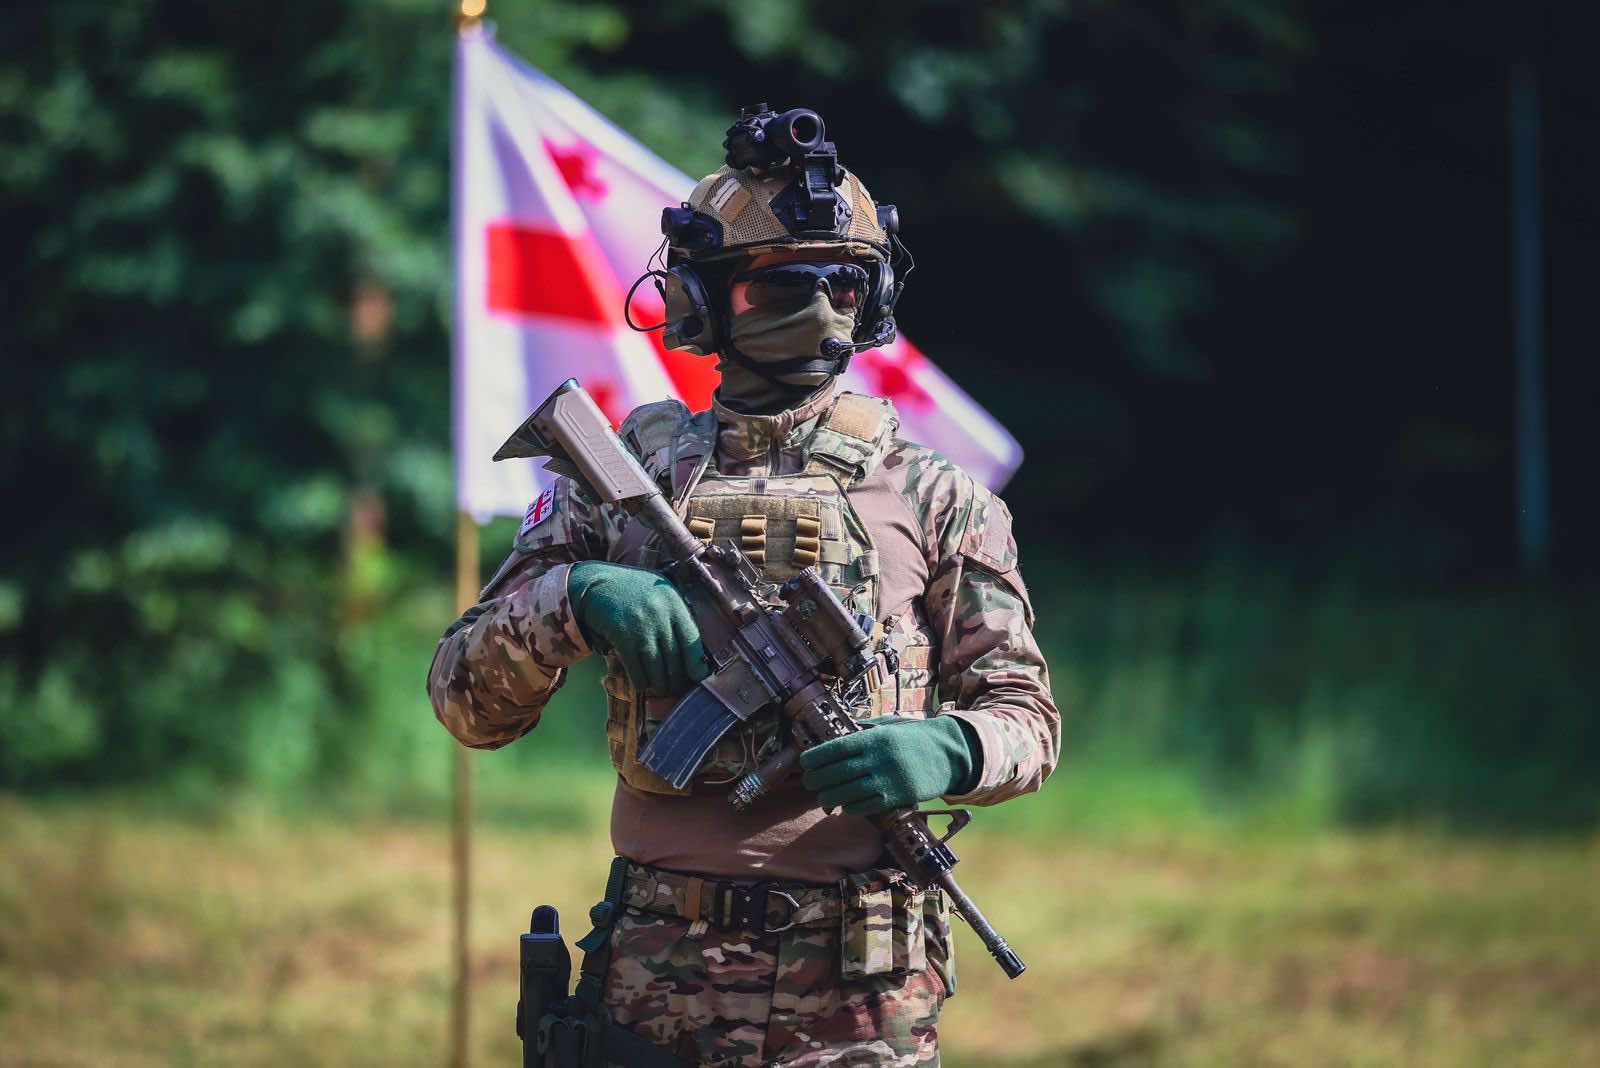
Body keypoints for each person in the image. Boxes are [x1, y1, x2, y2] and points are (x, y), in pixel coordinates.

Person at [428, 104, 1059, 1068]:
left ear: (875, 300)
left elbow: (1028, 720)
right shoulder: (620, 481)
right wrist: (577, 596)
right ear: (700, 299)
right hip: (658, 979)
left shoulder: (940, 498)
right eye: (781, 284)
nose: (821, 306)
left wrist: (948, 747)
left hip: (859, 994)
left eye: (844, 282)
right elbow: (465, 702)